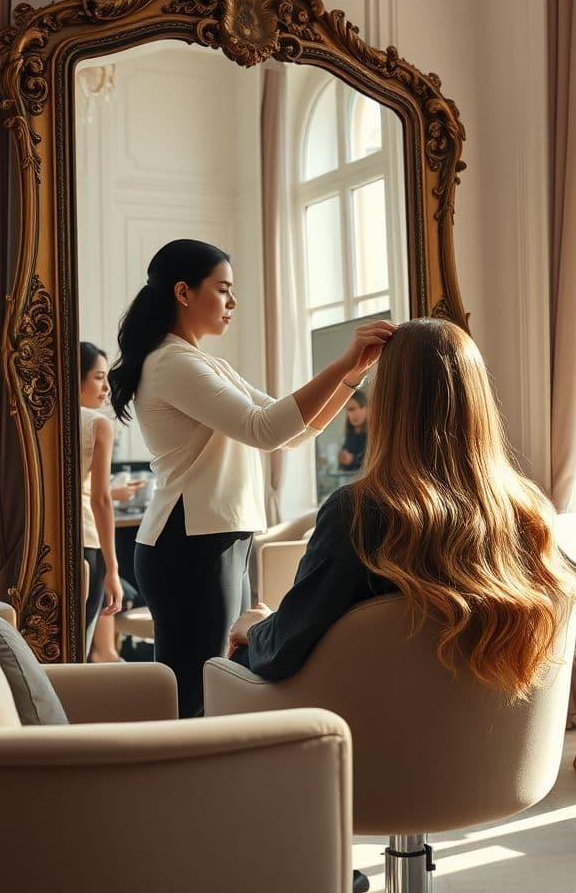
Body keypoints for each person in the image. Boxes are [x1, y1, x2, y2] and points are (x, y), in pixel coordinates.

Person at [228, 317, 576, 701]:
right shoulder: (529, 511)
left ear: (387, 405)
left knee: (235, 664)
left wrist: (256, 628)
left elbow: (285, 649)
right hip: (498, 734)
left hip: (376, 732)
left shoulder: (358, 515)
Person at [108, 238, 394, 718]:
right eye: (223, 289)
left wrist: (352, 375)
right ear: (183, 292)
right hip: (189, 542)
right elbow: (266, 430)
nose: (233, 302)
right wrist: (345, 362)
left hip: (217, 537)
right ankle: (177, 766)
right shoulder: (171, 363)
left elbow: (293, 431)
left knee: (222, 678)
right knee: (197, 692)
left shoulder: (205, 363)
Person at [79, 342, 134, 656]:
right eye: (99, 377)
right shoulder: (98, 425)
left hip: (43, 543)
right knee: (80, 645)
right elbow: (99, 500)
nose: (106, 387)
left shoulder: (40, 422)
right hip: (87, 542)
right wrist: (113, 570)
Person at [336, 388, 368, 472]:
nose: (350, 414)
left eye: (352, 409)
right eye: (348, 410)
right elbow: (343, 469)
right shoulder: (350, 434)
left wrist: (352, 460)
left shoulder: (375, 434)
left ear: (364, 408)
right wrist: (343, 460)